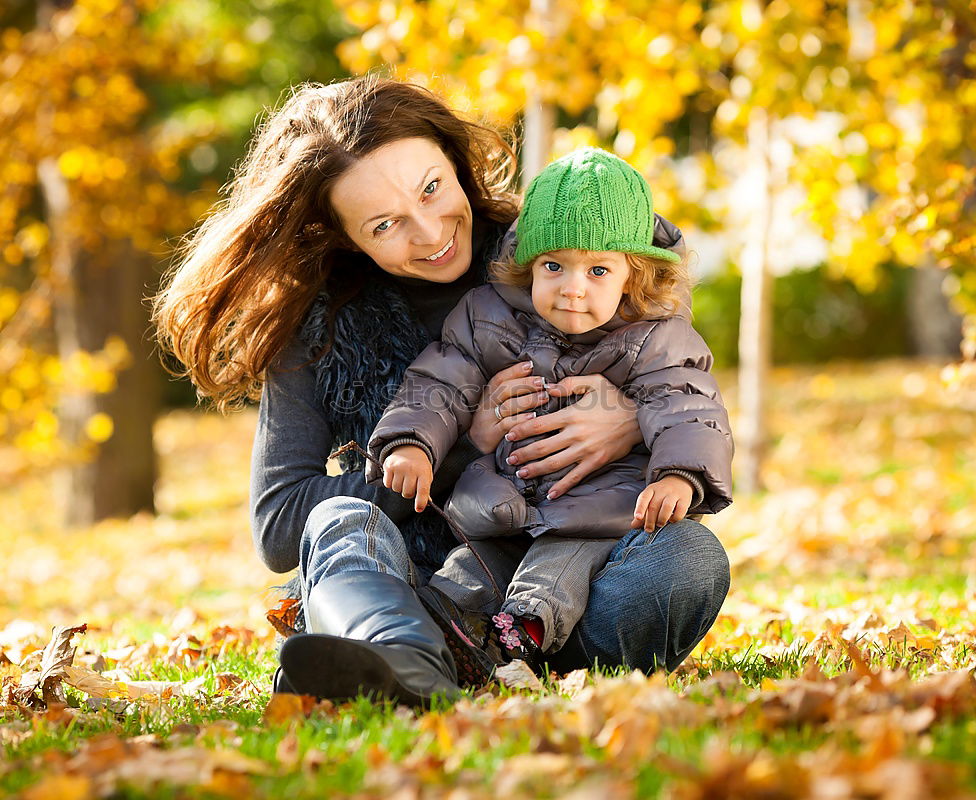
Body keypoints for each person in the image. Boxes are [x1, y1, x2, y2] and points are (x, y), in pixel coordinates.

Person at [153, 74, 731, 706]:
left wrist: (624, 420)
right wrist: (463, 443)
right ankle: (406, 652)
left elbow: (677, 387)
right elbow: (280, 524)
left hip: (569, 577)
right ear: (343, 235)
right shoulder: (318, 327)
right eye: (384, 225)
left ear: (456, 163)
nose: (430, 234)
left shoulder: (555, 248)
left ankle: (452, 661)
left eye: (432, 189)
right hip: (415, 582)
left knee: (689, 557)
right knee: (338, 520)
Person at [367, 147, 733, 684]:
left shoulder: (659, 340)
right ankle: (434, 642)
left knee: (558, 571)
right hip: (502, 510)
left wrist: (680, 473)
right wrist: (411, 442)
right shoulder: (488, 317)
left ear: (632, 277)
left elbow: (690, 407)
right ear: (528, 265)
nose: (573, 287)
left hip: (596, 515)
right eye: (554, 266)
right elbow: (439, 381)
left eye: (598, 269)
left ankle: (520, 637)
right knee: (466, 572)